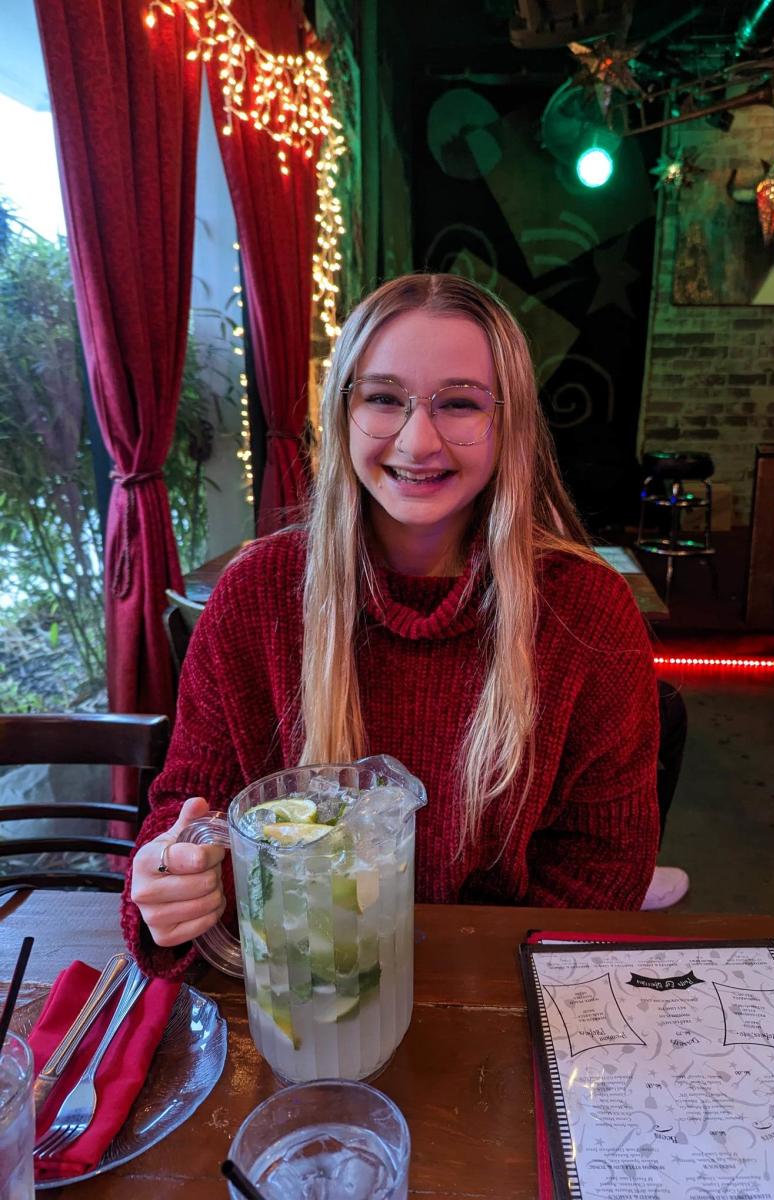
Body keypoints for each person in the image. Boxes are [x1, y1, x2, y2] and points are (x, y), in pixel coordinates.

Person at [123, 273, 682, 979]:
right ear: (341, 412)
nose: (418, 441)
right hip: (306, 989)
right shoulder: (255, 597)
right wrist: (170, 879)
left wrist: (461, 985)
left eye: (459, 404)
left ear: (508, 425)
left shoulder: (585, 610)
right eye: (384, 399)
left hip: (500, 994)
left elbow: (603, 862)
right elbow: (187, 808)